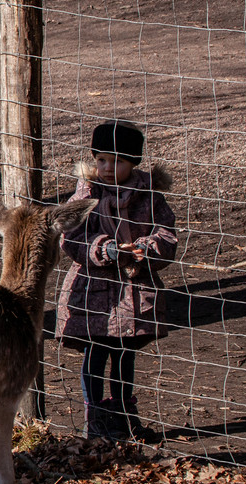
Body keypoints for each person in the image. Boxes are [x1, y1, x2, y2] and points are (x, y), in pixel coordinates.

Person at [56, 121, 177, 440]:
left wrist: (146, 249)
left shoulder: (150, 196)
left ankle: (125, 414)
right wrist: (105, 248)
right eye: (102, 160)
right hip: (92, 293)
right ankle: (94, 417)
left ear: (133, 162)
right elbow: (70, 237)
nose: (108, 167)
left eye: (118, 161)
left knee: (125, 354)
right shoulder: (86, 193)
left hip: (134, 292)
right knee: (94, 355)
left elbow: (166, 233)